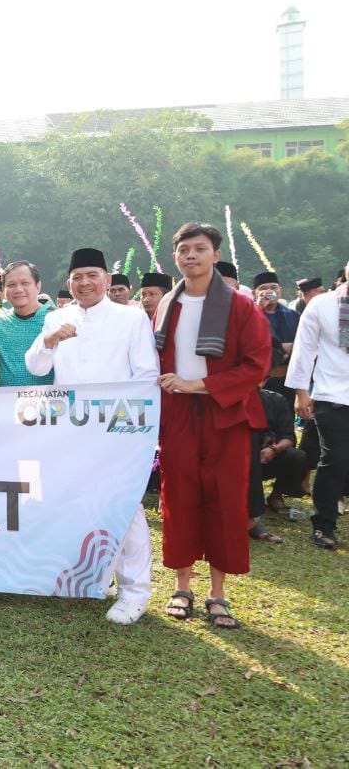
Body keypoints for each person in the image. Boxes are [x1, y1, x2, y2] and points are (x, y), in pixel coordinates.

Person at [26, 247, 158, 625]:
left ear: (106, 280)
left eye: (92, 275)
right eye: (77, 277)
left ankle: (135, 591)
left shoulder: (130, 320)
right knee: (79, 503)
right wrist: (49, 341)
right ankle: (97, 576)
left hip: (117, 429)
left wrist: (127, 427)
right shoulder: (56, 316)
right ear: (69, 282)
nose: (84, 283)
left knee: (126, 507)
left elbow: (146, 375)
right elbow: (36, 367)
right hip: (69, 430)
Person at [155, 224, 271, 629]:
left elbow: (257, 364)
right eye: (183, 249)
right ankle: (182, 586)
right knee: (179, 496)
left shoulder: (240, 305)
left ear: (215, 254)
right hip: (180, 415)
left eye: (199, 249)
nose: (191, 256)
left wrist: (201, 384)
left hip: (226, 414)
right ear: (175, 257)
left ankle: (217, 594)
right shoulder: (169, 303)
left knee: (225, 500)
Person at [286, 259, 349, 550]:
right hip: (332, 396)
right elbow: (304, 349)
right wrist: (301, 391)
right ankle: (324, 524)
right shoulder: (322, 305)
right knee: (335, 459)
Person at [248, 371, 305, 542]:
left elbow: (289, 437)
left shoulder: (275, 400)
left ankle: (276, 495)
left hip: (268, 456)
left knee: (297, 456)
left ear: (264, 381)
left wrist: (274, 449)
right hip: (239, 458)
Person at [0, 260, 53, 387]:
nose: (18, 289)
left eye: (25, 283)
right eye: (11, 285)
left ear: (38, 286)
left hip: (48, 401)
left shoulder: (55, 320)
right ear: (3, 290)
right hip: (4, 402)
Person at [253, 271, 299, 402]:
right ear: (254, 292)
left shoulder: (293, 315)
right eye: (263, 288)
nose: (269, 291)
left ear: (280, 290)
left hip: (288, 377)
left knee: (286, 417)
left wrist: (292, 347)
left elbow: (303, 342)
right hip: (262, 379)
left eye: (273, 287)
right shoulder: (250, 315)